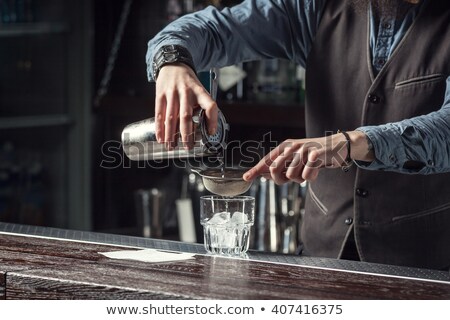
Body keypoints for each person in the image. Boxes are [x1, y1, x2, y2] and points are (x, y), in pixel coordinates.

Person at [146, 0, 450, 270]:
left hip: (425, 268)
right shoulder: (314, 9)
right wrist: (173, 61)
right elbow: (214, 29)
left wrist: (352, 143)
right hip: (321, 260)